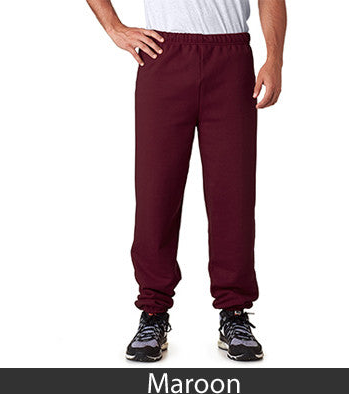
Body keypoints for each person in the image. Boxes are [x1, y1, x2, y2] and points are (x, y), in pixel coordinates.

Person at [86, 0, 287, 362]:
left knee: (234, 195)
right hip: (164, 54)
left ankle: (235, 311)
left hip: (231, 58)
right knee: (156, 193)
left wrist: (275, 59)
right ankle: (152, 311)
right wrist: (114, 27)